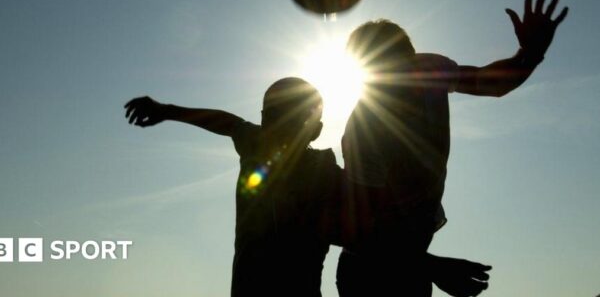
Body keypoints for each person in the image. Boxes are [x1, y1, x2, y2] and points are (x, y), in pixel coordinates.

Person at [125, 78, 491, 297]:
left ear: (314, 129)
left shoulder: (325, 175)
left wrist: (428, 266)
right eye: (270, 115)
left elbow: (363, 239)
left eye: (286, 116)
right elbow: (226, 121)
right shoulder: (257, 146)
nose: (272, 125)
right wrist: (166, 109)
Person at [336, 0, 568, 296]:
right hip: (369, 271)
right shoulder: (365, 130)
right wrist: (432, 267)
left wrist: (531, 53)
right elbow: (362, 234)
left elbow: (493, 84)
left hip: (413, 260)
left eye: (404, 68)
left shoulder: (432, 71)